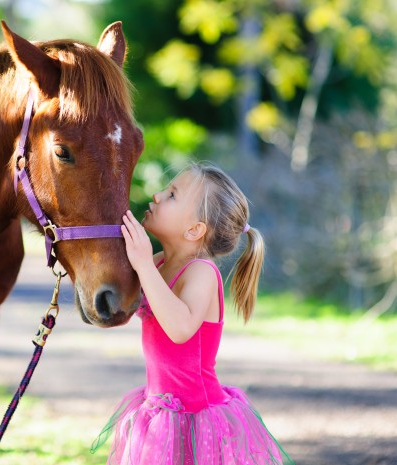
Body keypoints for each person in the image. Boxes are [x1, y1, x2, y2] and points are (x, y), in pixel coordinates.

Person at [91, 162, 293, 464]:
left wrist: (143, 265)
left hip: (197, 418)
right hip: (158, 410)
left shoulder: (201, 272)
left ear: (194, 230)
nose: (157, 196)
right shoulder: (158, 262)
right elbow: (119, 305)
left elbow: (180, 328)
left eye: (172, 195)